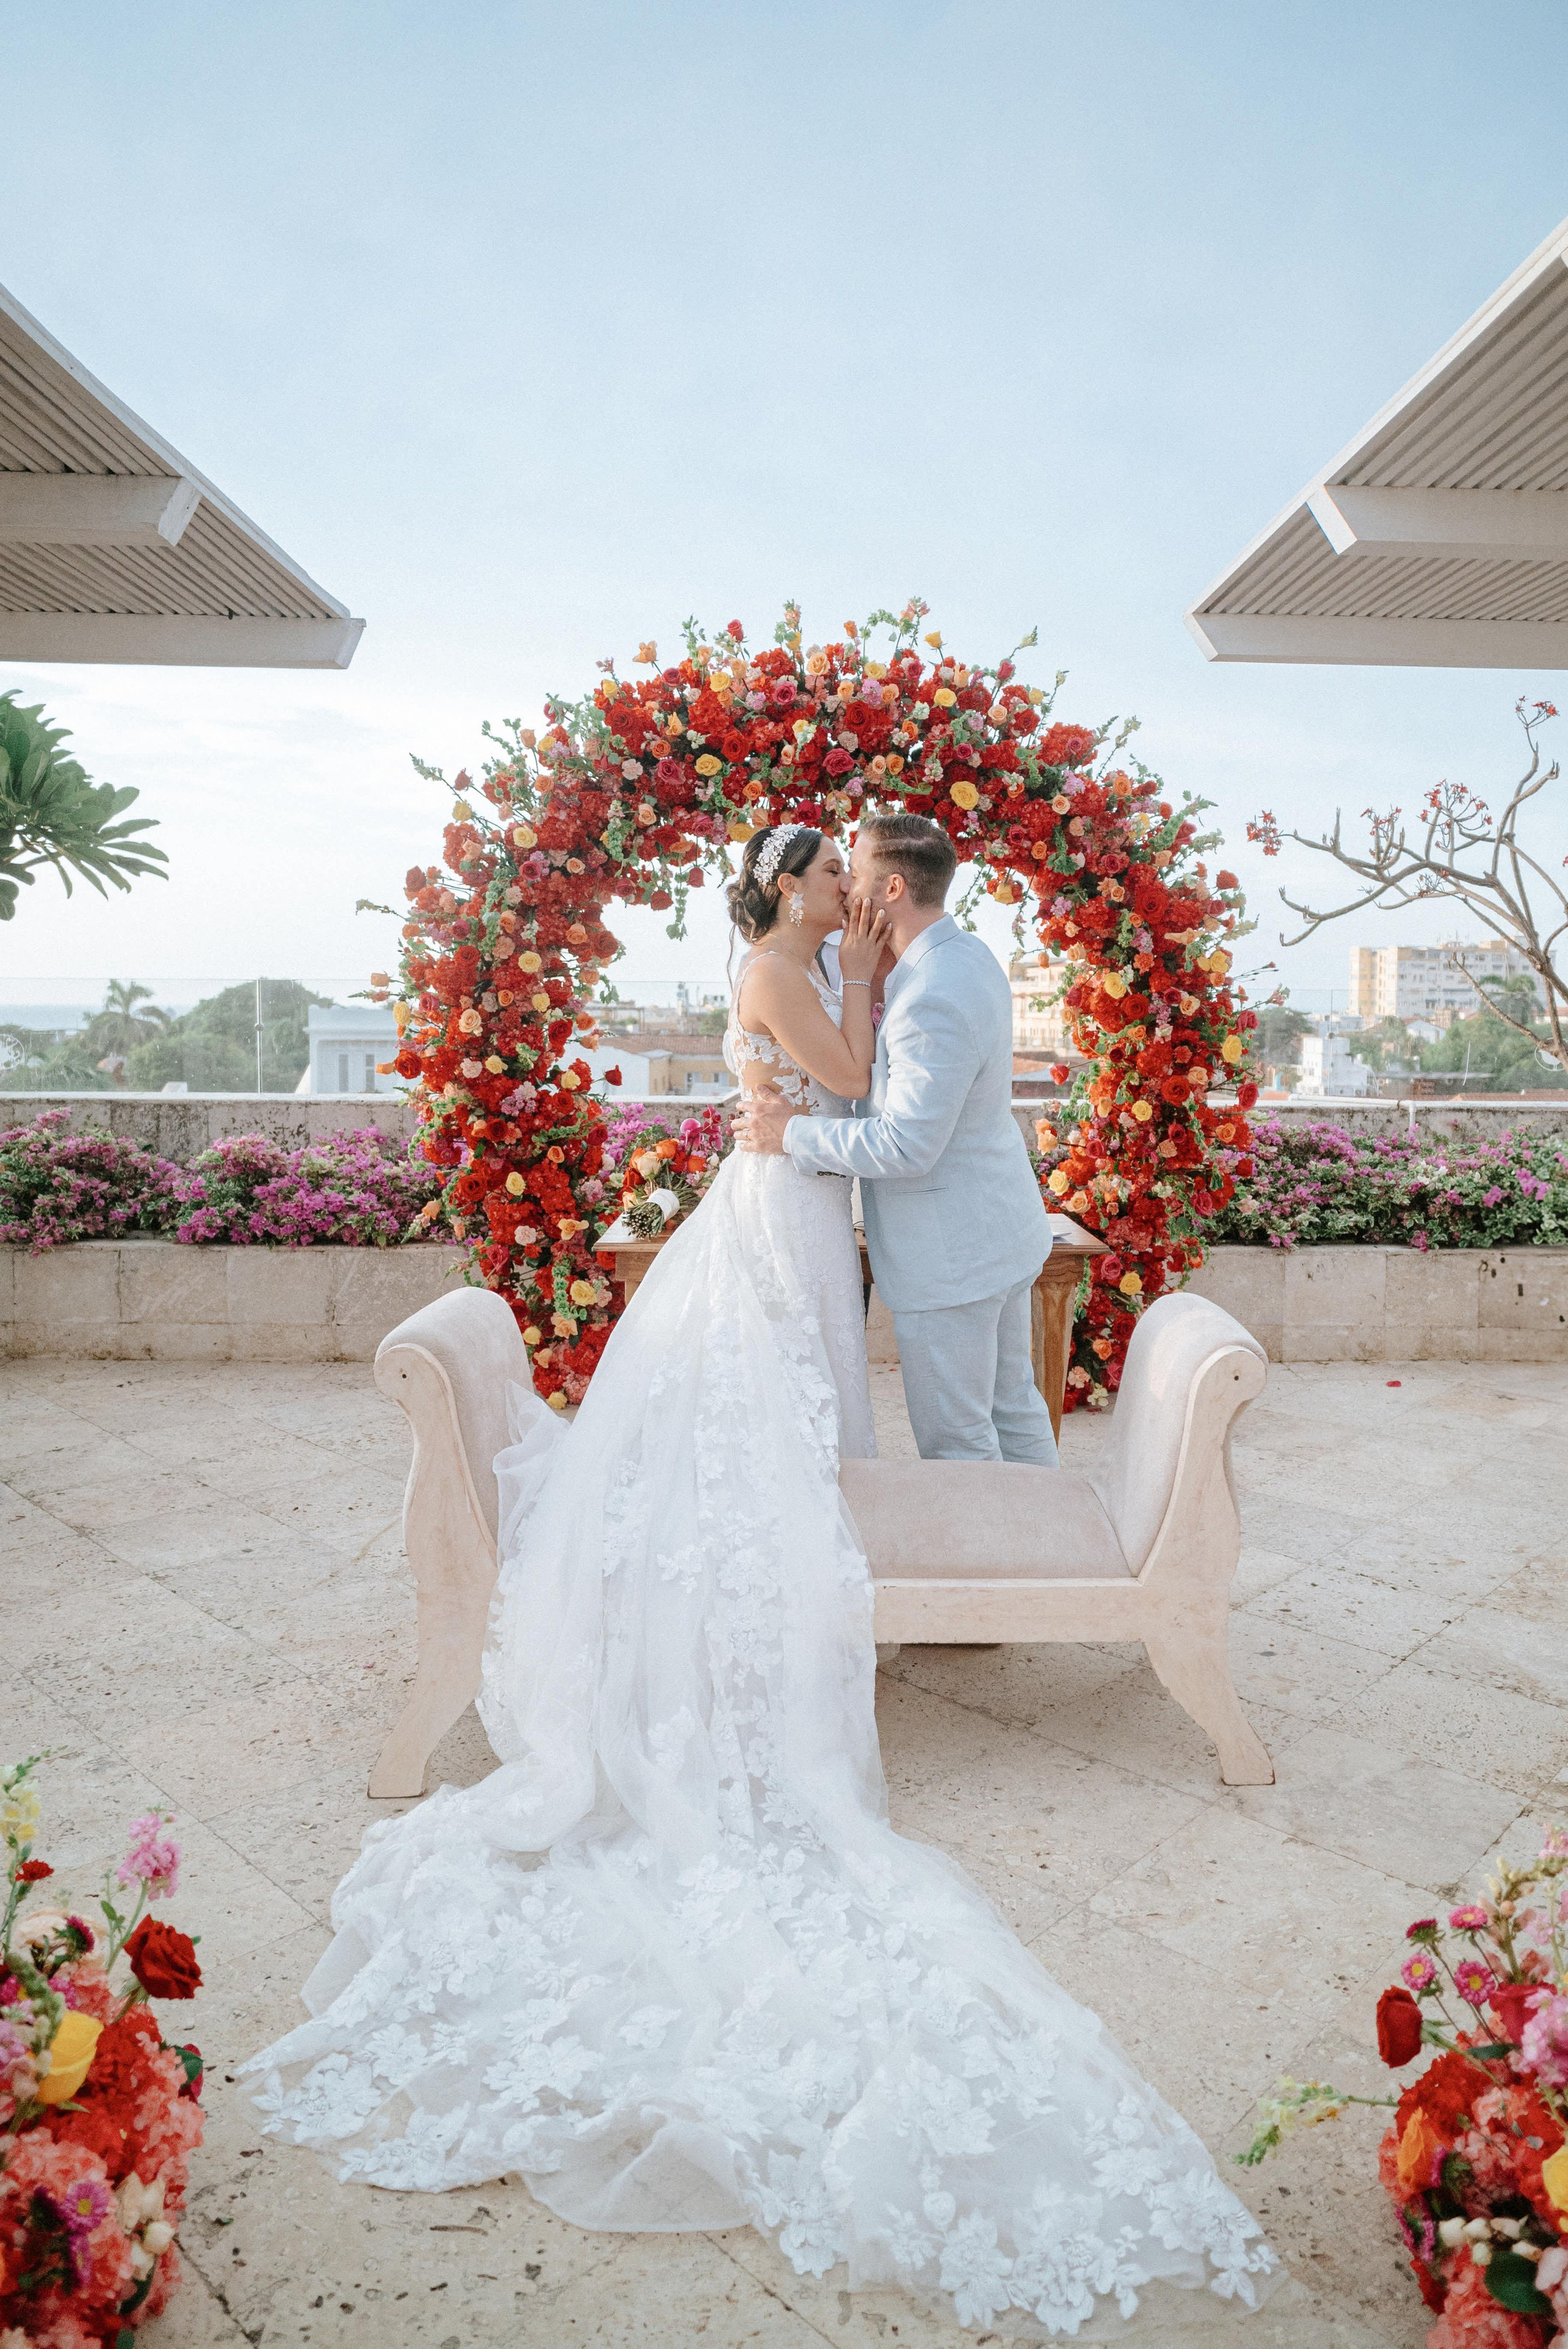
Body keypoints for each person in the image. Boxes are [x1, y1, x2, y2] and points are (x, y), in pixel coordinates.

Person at [246, 822, 1276, 2336]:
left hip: (813, 1203)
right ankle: (831, 1592)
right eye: (819, 869)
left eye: (850, 871)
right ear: (785, 888)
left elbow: (852, 1086)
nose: (837, 885)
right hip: (786, 1209)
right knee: (794, 1428)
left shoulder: (833, 961)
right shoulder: (783, 965)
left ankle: (919, 1582)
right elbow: (848, 1083)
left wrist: (831, 1019)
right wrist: (820, 1045)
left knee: (842, 1429)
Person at [736, 811, 1058, 1466]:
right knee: (1013, 1407)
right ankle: (1044, 1551)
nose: (846, 888)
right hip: (994, 1231)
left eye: (851, 872)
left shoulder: (929, 996)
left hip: (951, 1255)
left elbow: (905, 1145)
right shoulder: (962, 955)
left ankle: (991, 1564)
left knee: (959, 1438)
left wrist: (792, 1134)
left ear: (889, 891)